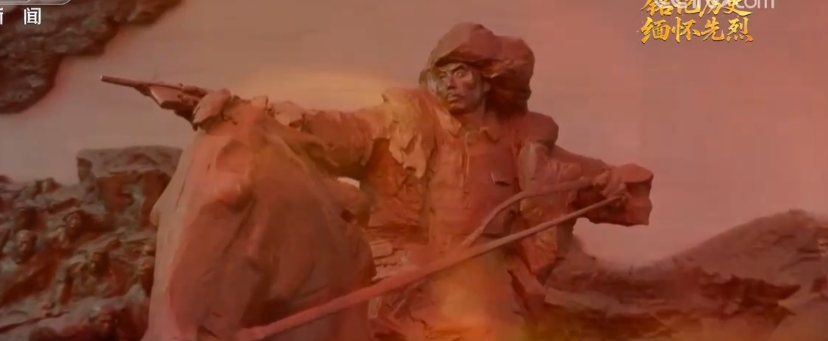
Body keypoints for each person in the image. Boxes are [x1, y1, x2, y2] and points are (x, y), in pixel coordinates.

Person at [168, 22, 654, 341]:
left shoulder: (521, 143)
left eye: (461, 73)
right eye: (442, 74)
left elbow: (591, 183)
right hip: (394, 278)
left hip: (482, 289)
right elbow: (327, 129)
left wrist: (612, 185)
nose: (450, 84)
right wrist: (243, 112)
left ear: (488, 81)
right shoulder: (399, 123)